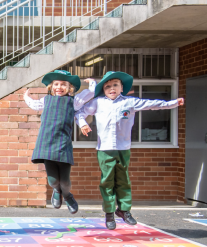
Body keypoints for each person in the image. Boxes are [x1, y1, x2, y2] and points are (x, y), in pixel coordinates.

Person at [75, 71, 184, 229]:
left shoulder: (129, 102)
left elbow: (152, 104)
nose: (111, 89)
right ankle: (109, 213)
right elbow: (80, 113)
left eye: (115, 85)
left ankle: (124, 210)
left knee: (123, 180)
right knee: (107, 181)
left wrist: (172, 103)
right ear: (103, 90)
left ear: (121, 87)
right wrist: (83, 124)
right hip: (105, 149)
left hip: (123, 147)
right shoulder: (98, 102)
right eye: (107, 86)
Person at [24, 70, 95, 214]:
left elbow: (88, 94)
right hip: (47, 144)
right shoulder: (46, 100)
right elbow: (35, 105)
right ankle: (56, 191)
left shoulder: (73, 101)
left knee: (65, 182)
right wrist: (26, 96)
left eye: (63, 84)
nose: (59, 87)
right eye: (56, 84)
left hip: (63, 144)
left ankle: (67, 196)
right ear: (51, 87)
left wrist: (92, 84)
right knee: (53, 181)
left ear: (69, 88)